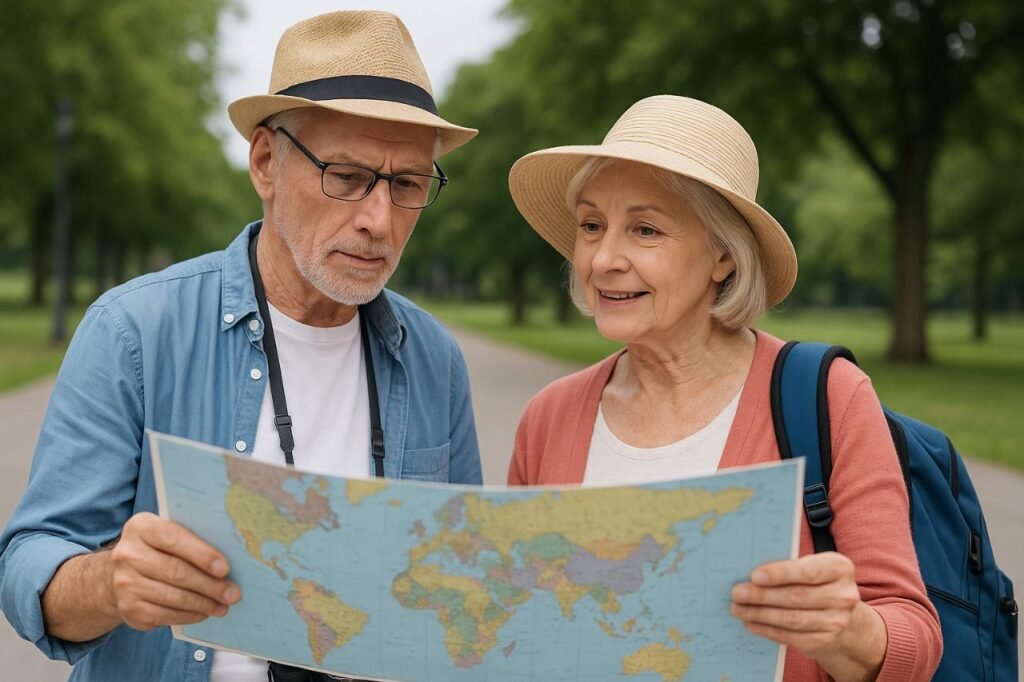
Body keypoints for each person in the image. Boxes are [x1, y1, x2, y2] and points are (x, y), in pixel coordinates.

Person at [0, 11, 482, 682]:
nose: (378, 220)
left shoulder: (436, 361)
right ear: (265, 162)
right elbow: (29, 569)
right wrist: (112, 582)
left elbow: (463, 598)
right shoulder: (134, 330)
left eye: (407, 185)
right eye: (346, 176)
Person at [505, 95, 942, 681]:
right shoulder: (549, 417)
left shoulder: (827, 396)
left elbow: (915, 636)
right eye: (591, 225)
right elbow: (520, 632)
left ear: (722, 256)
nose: (604, 257)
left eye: (645, 229)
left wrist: (850, 630)